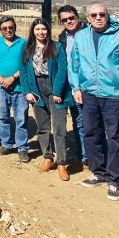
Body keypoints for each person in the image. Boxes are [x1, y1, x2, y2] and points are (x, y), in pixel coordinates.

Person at [70, 3, 119, 201]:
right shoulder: (81, 36)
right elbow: (74, 64)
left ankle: (115, 179)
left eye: (102, 14)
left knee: (115, 138)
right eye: (94, 15)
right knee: (91, 134)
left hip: (113, 95)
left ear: (108, 16)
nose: (98, 17)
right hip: (89, 94)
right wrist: (76, 87)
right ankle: (98, 172)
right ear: (88, 17)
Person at [20, 18, 73, 181]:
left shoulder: (56, 47)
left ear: (48, 30)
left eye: (43, 29)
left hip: (55, 88)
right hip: (36, 89)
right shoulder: (27, 47)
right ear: (33, 31)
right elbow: (23, 69)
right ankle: (48, 157)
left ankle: (62, 163)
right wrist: (27, 91)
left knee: (59, 128)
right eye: (37, 29)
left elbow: (63, 70)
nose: (41, 32)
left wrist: (57, 91)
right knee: (42, 127)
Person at [0, 16, 30, 163]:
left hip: (19, 86)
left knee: (21, 118)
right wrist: (0, 78)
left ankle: (22, 148)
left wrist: (12, 77)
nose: (8, 30)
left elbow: (26, 63)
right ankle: (7, 144)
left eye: (11, 27)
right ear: (1, 30)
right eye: (4, 28)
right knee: (3, 117)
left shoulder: (23, 43)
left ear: (15, 27)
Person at [57, 5, 87, 168]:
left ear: (77, 17)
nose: (69, 21)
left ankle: (88, 157)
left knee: (87, 123)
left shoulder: (90, 34)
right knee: (78, 121)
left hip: (86, 85)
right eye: (64, 20)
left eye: (71, 18)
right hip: (68, 85)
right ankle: (81, 156)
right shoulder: (62, 38)